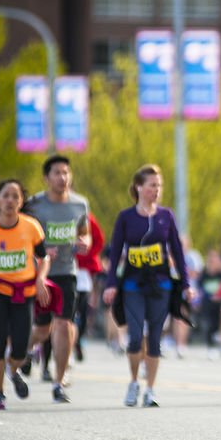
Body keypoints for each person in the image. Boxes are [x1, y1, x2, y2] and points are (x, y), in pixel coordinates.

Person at [104, 164, 193, 408]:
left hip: (161, 284)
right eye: (152, 185)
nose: (156, 190)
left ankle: (151, 390)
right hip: (133, 284)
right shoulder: (126, 217)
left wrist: (185, 284)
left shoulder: (166, 216)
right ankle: (134, 382)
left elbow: (177, 250)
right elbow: (114, 255)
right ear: (139, 187)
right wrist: (111, 284)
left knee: (154, 338)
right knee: (134, 337)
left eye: (159, 185)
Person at [0, 179, 50, 411]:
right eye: (5, 196)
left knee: (20, 347)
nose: (10, 200)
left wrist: (40, 279)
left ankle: (13, 369)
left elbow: (43, 257)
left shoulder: (31, 226)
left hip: (24, 293)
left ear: (21, 201)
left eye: (15, 196)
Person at [23, 155, 91, 403]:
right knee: (42, 328)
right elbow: (21, 238)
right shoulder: (33, 205)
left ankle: (58, 382)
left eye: (66, 173)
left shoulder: (80, 204)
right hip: (38, 274)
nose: (63, 178)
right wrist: (39, 252)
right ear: (46, 177)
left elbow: (85, 233)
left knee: (64, 324)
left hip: (66, 272)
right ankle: (24, 350)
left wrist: (85, 243)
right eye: (57, 173)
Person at [74, 211, 105, 364]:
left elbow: (98, 240)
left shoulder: (86, 217)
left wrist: (86, 255)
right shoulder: (54, 215)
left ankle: (78, 339)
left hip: (82, 271)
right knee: (65, 314)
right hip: (61, 269)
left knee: (83, 308)